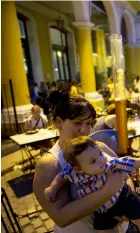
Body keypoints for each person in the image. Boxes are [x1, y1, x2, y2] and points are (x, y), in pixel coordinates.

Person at [33, 90, 131, 233]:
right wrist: (108, 190)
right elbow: (61, 217)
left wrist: (127, 205)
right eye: (77, 123)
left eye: (89, 123)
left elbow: (126, 176)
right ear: (59, 122)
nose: (84, 130)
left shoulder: (100, 147)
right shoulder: (50, 164)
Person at [44, 136, 140, 232]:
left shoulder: (109, 164)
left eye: (100, 154)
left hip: (123, 198)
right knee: (103, 229)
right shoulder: (74, 172)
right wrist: (53, 188)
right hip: (101, 209)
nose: (101, 159)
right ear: (79, 168)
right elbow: (61, 176)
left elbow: (127, 161)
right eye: (93, 161)